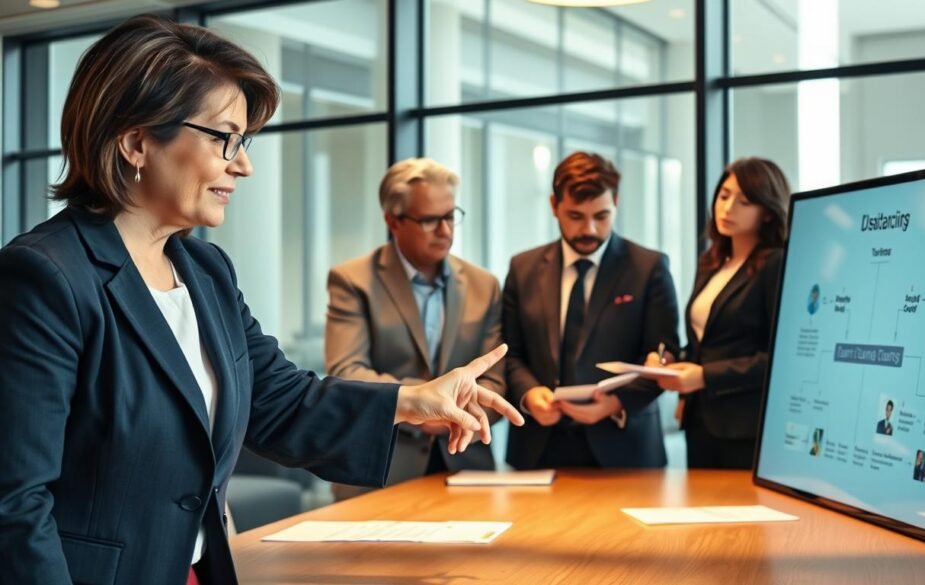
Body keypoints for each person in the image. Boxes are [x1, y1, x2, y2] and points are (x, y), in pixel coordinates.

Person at [0, 16, 523, 585]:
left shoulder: (205, 270)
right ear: (136, 142)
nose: (243, 164)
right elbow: (15, 502)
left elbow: (278, 400)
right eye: (225, 138)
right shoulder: (45, 277)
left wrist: (414, 399)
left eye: (243, 142)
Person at [325, 158, 504, 492]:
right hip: (380, 466)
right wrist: (421, 406)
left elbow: (494, 379)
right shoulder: (353, 281)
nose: (445, 231)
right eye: (430, 220)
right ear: (393, 220)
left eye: (450, 216)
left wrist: (456, 412)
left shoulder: (485, 285)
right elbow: (347, 370)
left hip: (466, 467)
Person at [503, 151, 680, 470]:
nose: (590, 229)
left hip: (625, 446)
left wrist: (616, 403)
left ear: (617, 203)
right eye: (575, 216)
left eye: (602, 216)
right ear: (553, 206)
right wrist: (529, 394)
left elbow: (663, 354)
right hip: (540, 447)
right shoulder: (523, 268)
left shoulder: (648, 267)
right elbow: (510, 353)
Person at [645, 157, 790, 469]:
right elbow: (706, 344)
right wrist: (671, 361)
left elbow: (778, 359)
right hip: (700, 421)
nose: (727, 208)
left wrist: (705, 377)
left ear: (767, 211)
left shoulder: (776, 264)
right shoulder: (712, 262)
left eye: (744, 201)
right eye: (724, 196)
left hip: (744, 426)